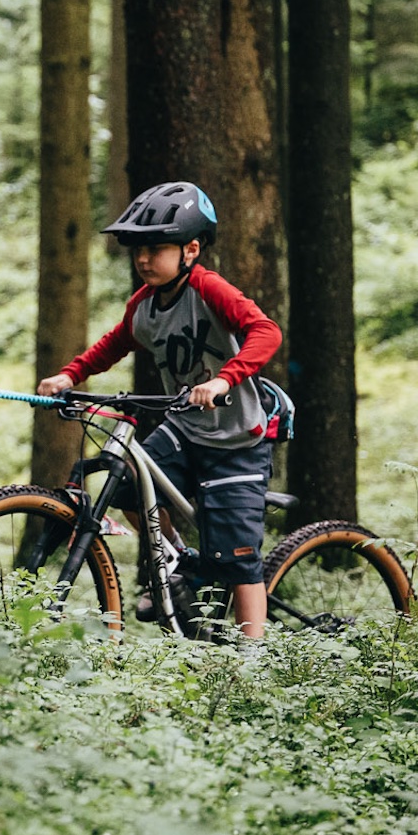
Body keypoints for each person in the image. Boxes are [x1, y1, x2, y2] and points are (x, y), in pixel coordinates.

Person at [36, 181, 282, 639]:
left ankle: (252, 660)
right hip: (186, 429)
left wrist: (222, 379)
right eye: (137, 250)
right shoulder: (145, 305)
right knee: (128, 485)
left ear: (191, 249)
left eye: (155, 248)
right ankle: (175, 561)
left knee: (239, 558)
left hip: (236, 439)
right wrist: (71, 375)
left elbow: (266, 332)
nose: (143, 259)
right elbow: (116, 343)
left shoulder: (209, 289)